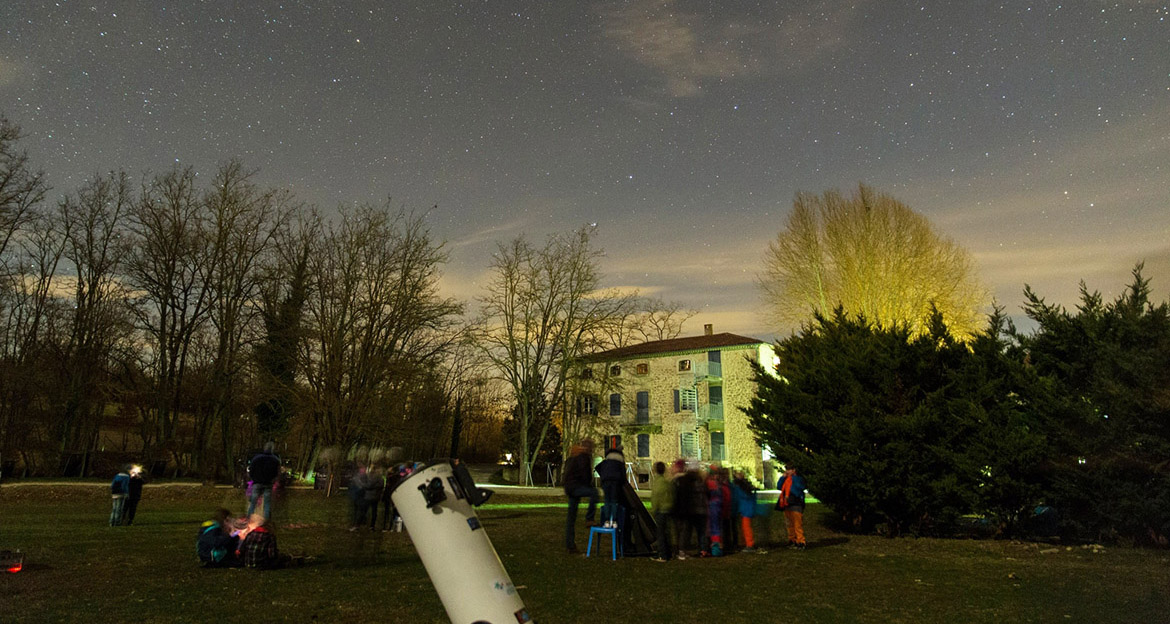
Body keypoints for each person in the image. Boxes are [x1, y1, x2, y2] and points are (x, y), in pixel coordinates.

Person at [562, 438, 599, 554]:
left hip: (570, 487)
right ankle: (589, 518)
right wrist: (589, 486)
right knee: (595, 493)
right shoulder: (583, 457)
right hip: (575, 486)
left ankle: (570, 545)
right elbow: (585, 475)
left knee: (571, 518)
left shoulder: (574, 455)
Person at [731, 470, 764, 553]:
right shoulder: (746, 486)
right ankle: (747, 543)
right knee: (745, 527)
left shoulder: (739, 487)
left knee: (746, 528)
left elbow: (737, 498)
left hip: (745, 509)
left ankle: (749, 544)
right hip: (747, 508)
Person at [246, 442, 281, 519]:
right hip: (268, 483)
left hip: (257, 483)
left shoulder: (256, 458)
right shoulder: (275, 459)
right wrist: (274, 480)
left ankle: (248, 518)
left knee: (253, 502)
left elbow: (251, 469)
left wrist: (253, 478)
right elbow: (278, 472)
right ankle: (266, 520)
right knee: (267, 503)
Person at [777, 465, 808, 549]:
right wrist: (782, 478)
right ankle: (792, 540)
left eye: (789, 470)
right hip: (787, 504)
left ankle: (801, 541)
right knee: (789, 524)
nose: (787, 471)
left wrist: (792, 480)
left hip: (796, 503)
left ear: (794, 470)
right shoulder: (786, 479)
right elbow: (779, 486)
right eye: (786, 469)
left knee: (797, 524)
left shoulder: (797, 479)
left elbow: (799, 488)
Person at [649, 461, 675, 562]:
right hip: (668, 510)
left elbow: (655, 497)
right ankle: (668, 553)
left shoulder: (657, 483)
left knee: (660, 534)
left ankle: (663, 555)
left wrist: (654, 510)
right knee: (666, 533)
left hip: (660, 511)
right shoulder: (666, 482)